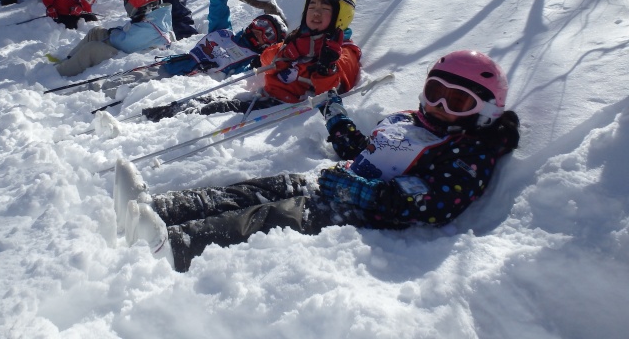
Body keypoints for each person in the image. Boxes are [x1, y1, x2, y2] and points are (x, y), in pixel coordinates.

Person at [112, 50, 521, 272]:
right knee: (251, 189)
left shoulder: (467, 153)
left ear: (485, 110)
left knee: (265, 215)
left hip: (351, 214)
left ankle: (176, 244)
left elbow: (436, 203)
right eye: (435, 91)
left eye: (458, 100)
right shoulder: (406, 120)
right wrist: (336, 116)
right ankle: (157, 210)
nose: (441, 106)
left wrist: (368, 194)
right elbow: (364, 152)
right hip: (327, 181)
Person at [141, 0, 361, 120]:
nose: (315, 13)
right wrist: (285, 52)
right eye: (312, 6)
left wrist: (326, 66)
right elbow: (267, 59)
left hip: (281, 107)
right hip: (264, 96)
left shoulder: (343, 50)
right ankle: (160, 115)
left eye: (324, 9)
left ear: (340, 16)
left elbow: (336, 86)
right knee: (203, 105)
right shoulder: (299, 38)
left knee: (206, 114)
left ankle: (171, 121)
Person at [91, 0, 287, 97]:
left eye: (268, 33)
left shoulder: (252, 62)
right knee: (116, 84)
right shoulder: (223, 32)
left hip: (184, 85)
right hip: (173, 65)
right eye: (262, 24)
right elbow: (218, 3)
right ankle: (87, 93)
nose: (260, 31)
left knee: (134, 95)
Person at [54, 0, 175, 77]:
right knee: (96, 32)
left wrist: (114, 32)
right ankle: (69, 60)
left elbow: (123, 43)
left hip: (128, 57)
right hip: (129, 48)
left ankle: (59, 73)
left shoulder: (149, 27)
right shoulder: (152, 17)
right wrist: (114, 32)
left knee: (91, 49)